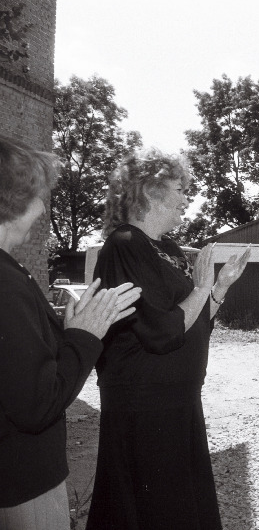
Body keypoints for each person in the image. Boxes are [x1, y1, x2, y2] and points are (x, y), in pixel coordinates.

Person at [85, 150, 250, 530]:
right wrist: (202, 287)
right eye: (179, 189)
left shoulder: (170, 249)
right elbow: (160, 331)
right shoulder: (125, 244)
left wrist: (219, 289)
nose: (185, 199)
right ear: (151, 191)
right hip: (145, 404)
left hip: (178, 399)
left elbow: (192, 322)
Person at [0, 136, 140, 530]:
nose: (43, 208)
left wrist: (65, 331)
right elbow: (38, 404)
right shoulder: (6, 283)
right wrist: (85, 335)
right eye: (37, 196)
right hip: (22, 485)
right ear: (12, 200)